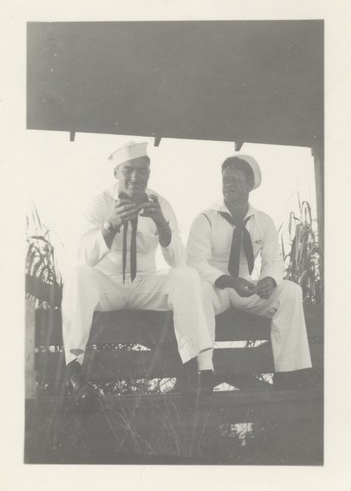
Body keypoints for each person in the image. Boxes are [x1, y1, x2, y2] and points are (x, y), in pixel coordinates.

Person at [62, 141, 213, 405]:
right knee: (77, 274)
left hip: (145, 284)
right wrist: (110, 225)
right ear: (116, 173)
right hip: (108, 285)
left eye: (142, 171)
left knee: (187, 276)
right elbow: (84, 257)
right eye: (128, 170)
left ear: (149, 173)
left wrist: (162, 225)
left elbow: (178, 260)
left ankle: (194, 369)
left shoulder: (160, 203)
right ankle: (74, 372)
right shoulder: (100, 203)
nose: (135, 177)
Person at [187, 154, 312, 391]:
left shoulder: (263, 221)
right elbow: (196, 264)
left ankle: (290, 372)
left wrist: (269, 280)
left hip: (245, 287)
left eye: (235, 180)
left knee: (290, 291)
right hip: (216, 288)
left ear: (249, 185)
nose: (229, 185)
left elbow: (274, 261)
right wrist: (228, 281)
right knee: (198, 290)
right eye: (225, 180)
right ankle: (204, 370)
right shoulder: (204, 219)